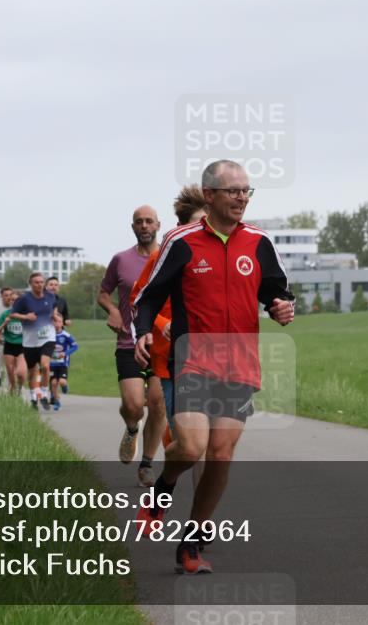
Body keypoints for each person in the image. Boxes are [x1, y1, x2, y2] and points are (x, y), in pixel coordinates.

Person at [133, 160, 295, 574]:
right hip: (193, 359)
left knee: (220, 456)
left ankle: (192, 542)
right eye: (233, 191)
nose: (242, 197)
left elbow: (277, 292)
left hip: (240, 363)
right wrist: (143, 332)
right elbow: (148, 296)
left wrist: (281, 307)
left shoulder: (259, 242)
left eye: (246, 191)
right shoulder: (182, 242)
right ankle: (162, 491)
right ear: (210, 196)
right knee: (190, 447)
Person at [130, 185, 208, 440]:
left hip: (210, 353)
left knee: (207, 433)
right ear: (181, 226)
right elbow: (138, 298)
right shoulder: (161, 257)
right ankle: (169, 459)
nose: (203, 229)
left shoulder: (219, 258)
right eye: (198, 223)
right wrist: (161, 323)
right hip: (169, 351)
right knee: (177, 426)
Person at [99, 205, 164, 487]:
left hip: (162, 343)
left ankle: (147, 464)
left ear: (158, 225)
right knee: (134, 404)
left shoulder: (169, 257)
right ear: (133, 227)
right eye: (139, 222)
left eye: (149, 221)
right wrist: (113, 310)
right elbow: (103, 293)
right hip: (128, 340)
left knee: (158, 403)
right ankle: (131, 426)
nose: (144, 225)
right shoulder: (120, 260)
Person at [10, 272, 57, 408]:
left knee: (45, 366)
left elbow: (53, 307)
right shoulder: (23, 299)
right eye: (36, 282)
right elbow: (13, 314)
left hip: (48, 337)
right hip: (30, 341)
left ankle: (43, 394)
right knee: (32, 372)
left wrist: (54, 316)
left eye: (41, 282)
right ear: (30, 284)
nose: (39, 284)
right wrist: (26, 317)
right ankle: (33, 397)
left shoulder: (50, 295)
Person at [0, 290, 27, 395]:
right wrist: (5, 323)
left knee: (21, 373)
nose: (14, 302)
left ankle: (20, 386)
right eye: (12, 300)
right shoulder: (5, 314)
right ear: (10, 301)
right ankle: (12, 389)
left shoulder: (26, 315)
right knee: (10, 372)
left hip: (22, 346)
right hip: (9, 345)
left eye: (17, 300)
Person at [49, 313, 78, 410]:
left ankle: (65, 386)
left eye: (59, 321)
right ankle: (57, 401)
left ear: (62, 324)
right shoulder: (49, 335)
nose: (57, 324)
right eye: (55, 321)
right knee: (53, 383)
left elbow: (75, 347)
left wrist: (65, 353)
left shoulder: (66, 335)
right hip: (52, 363)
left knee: (61, 382)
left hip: (63, 363)